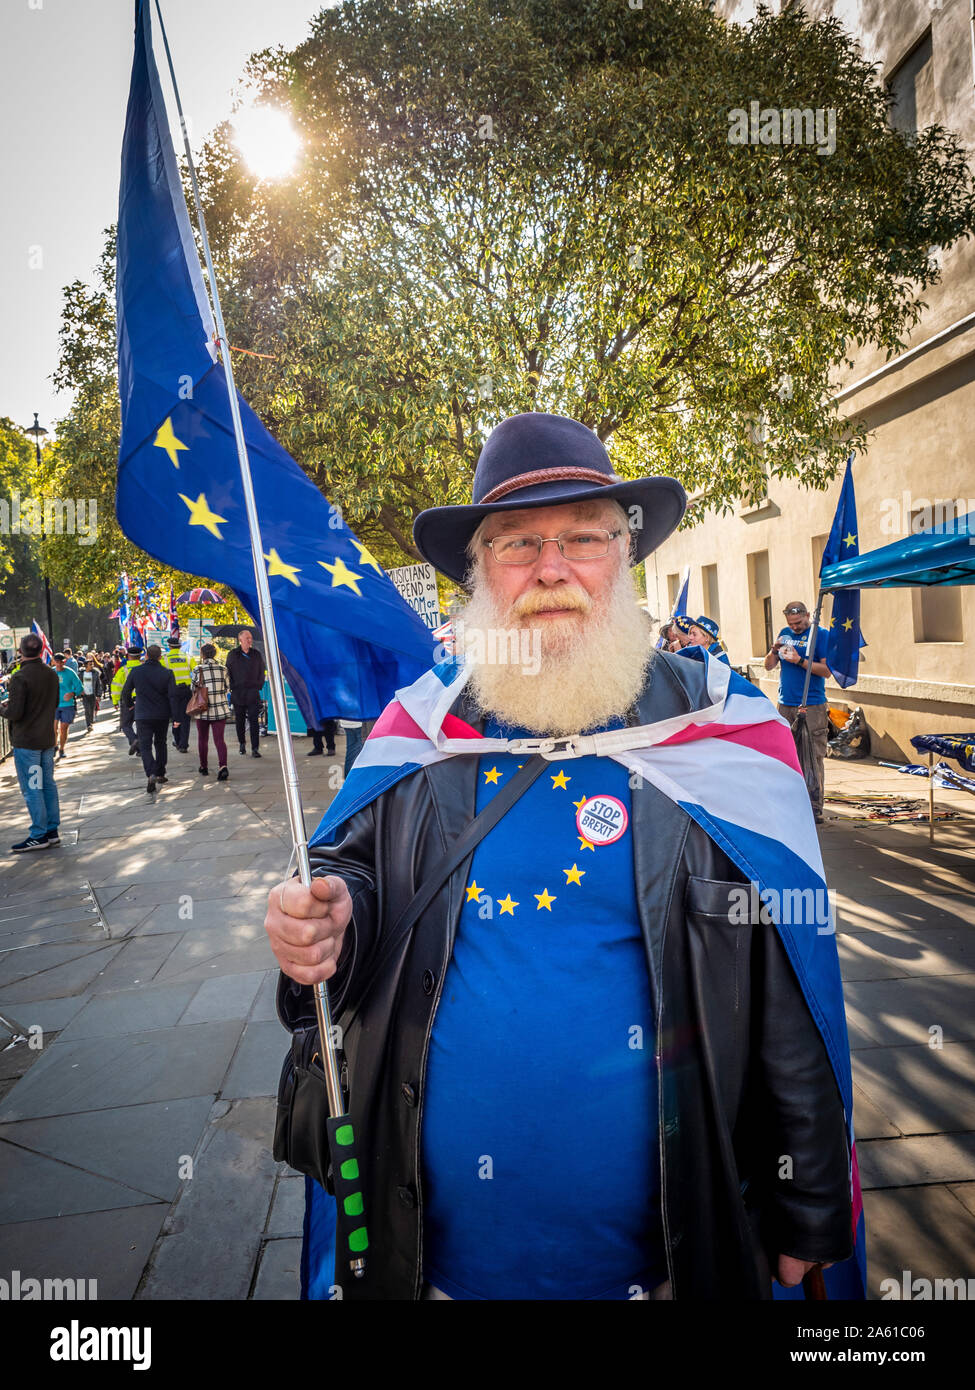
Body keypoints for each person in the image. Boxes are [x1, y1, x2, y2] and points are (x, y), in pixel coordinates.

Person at [264, 412, 856, 1303]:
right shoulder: (415, 735)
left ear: (625, 556)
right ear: (479, 571)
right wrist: (323, 917)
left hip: (668, 1261)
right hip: (433, 1264)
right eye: (517, 545)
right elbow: (350, 883)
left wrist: (810, 1204)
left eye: (584, 537)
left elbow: (791, 986)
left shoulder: (732, 739)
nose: (551, 568)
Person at [763, 601, 831, 823]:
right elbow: (768, 665)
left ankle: (813, 807)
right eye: (791, 624)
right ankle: (790, 801)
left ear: (808, 615)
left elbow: (826, 671)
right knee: (785, 755)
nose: (795, 627)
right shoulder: (785, 633)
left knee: (812, 756)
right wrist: (774, 650)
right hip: (785, 703)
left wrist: (799, 660)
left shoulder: (820, 635)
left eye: (799, 623)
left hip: (811, 705)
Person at [0, 632, 61, 852]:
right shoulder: (51, 674)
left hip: (27, 741)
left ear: (21, 652)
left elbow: (15, 713)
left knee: (33, 788)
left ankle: (38, 833)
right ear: (42, 649)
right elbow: (53, 703)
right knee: (48, 785)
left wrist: (2, 708)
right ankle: (52, 830)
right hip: (46, 737)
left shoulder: (19, 677)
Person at [120, 644, 179, 794]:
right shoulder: (167, 673)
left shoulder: (136, 671)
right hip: (161, 714)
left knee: (145, 746)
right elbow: (173, 696)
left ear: (145, 656)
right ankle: (160, 772)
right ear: (160, 657)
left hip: (142, 714)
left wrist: (130, 705)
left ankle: (151, 772)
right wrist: (176, 716)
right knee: (160, 743)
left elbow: (126, 691)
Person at [191, 643, 232, 780]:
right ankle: (223, 766)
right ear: (215, 654)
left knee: (203, 739)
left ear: (202, 654)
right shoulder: (223, 669)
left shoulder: (198, 669)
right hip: (220, 709)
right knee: (219, 739)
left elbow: (193, 688)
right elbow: (228, 688)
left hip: (203, 710)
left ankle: (204, 766)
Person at [226, 628, 266, 758]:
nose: (250, 640)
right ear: (240, 640)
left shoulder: (256, 654)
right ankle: (242, 744)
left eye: (250, 638)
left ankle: (255, 748)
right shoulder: (233, 654)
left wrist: (259, 685)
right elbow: (228, 673)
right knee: (240, 720)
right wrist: (232, 686)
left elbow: (261, 670)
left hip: (253, 692)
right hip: (238, 693)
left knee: (254, 721)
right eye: (247, 638)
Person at [161, 637, 195, 752]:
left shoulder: (165, 659)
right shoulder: (188, 657)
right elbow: (196, 672)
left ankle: (177, 740)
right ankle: (184, 744)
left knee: (175, 717)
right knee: (186, 718)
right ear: (180, 646)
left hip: (172, 692)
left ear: (169, 646)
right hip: (186, 691)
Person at [52, 652, 84, 759]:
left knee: (63, 728)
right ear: (54, 662)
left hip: (67, 705)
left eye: (61, 662)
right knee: (53, 728)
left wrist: (73, 693)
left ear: (64, 662)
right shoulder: (51, 672)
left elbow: (80, 687)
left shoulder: (70, 673)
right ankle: (54, 746)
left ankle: (62, 749)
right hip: (54, 704)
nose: (59, 665)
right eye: (57, 662)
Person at [111, 645, 143, 755]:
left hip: (127, 701)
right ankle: (140, 749)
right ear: (140, 656)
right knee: (140, 725)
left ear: (128, 656)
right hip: (142, 701)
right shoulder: (144, 668)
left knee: (125, 725)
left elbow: (115, 687)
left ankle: (134, 740)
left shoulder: (122, 670)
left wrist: (115, 701)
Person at [80, 656, 99, 731]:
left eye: (92, 664)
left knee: (91, 710)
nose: (92, 666)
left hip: (92, 695)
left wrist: (99, 695)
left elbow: (98, 684)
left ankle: (90, 722)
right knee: (87, 709)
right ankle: (88, 725)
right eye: (90, 664)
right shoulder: (81, 674)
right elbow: (78, 683)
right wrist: (80, 691)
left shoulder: (95, 673)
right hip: (85, 695)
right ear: (86, 665)